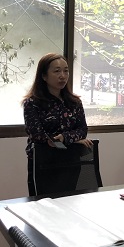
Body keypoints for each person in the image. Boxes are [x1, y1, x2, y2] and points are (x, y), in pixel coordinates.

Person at [23, 53, 93, 196]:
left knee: (70, 202)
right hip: (44, 162)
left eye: (66, 71)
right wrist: (71, 139)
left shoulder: (74, 102)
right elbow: (38, 135)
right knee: (43, 204)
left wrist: (65, 137)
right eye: (57, 71)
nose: (62, 76)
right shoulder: (32, 103)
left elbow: (82, 130)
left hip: (71, 161)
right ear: (44, 76)